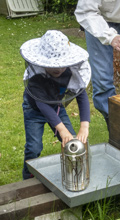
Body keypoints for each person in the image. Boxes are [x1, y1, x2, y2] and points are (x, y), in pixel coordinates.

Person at [20, 30, 91, 179]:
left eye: (62, 65)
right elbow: (43, 105)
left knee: (71, 141)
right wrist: (61, 129)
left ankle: (75, 171)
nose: (58, 69)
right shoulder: (35, 77)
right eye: (53, 66)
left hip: (56, 107)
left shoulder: (71, 72)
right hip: (34, 111)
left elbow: (82, 96)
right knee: (34, 147)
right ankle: (28, 177)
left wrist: (84, 126)